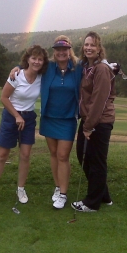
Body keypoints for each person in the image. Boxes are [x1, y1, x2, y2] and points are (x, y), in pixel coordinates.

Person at [10, 35, 82, 209]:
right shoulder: (48, 67)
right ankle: (58, 187)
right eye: (58, 50)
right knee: (54, 153)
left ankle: (63, 194)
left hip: (67, 119)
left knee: (63, 156)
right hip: (49, 117)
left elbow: (97, 63)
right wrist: (17, 67)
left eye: (64, 49)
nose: (61, 52)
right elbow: (31, 65)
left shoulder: (78, 68)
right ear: (54, 52)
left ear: (69, 50)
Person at [0, 45, 49, 206]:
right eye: (33, 58)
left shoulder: (42, 77)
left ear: (43, 62)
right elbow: (4, 98)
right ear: (27, 59)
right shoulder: (17, 75)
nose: (36, 61)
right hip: (11, 116)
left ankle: (21, 189)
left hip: (28, 119)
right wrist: (17, 116)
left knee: (26, 155)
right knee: (3, 154)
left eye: (40, 59)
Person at [71, 31, 116, 212]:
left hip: (99, 122)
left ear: (99, 49)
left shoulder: (101, 69)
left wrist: (88, 127)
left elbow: (99, 100)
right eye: (86, 45)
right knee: (84, 157)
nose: (89, 48)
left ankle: (92, 203)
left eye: (93, 45)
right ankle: (103, 195)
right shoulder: (85, 67)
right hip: (89, 120)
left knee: (95, 161)